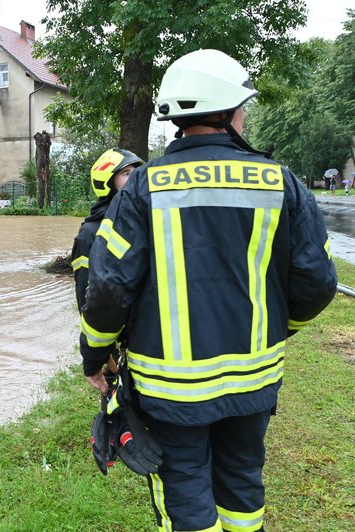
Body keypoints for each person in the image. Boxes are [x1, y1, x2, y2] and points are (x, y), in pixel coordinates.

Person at [81, 49, 337, 531]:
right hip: (253, 380)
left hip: (169, 389)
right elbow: (318, 282)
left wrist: (94, 357)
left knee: (185, 490)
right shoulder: (280, 182)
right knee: (242, 482)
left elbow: (108, 288)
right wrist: (277, 329)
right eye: (244, 106)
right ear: (230, 111)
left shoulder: (143, 188)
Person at [71, 147, 143, 365]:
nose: (136, 179)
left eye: (138, 173)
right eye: (127, 173)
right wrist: (107, 359)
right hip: (118, 341)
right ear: (107, 182)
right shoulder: (90, 233)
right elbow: (88, 298)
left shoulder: (143, 220)